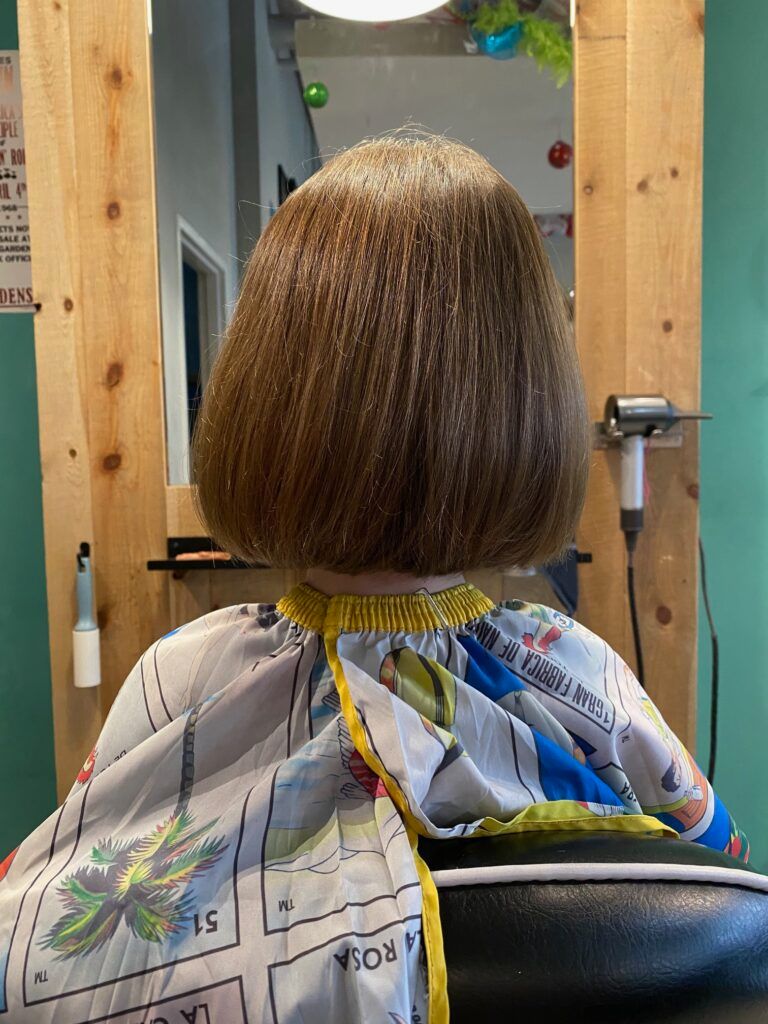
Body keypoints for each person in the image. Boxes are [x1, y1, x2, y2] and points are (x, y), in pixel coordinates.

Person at [0, 135, 747, 1024]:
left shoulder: (180, 672)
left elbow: (58, 898)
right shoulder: (573, 668)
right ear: (527, 400)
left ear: (262, 397)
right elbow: (725, 893)